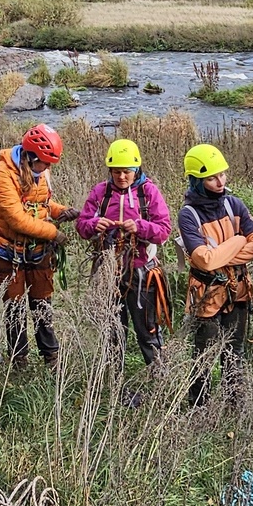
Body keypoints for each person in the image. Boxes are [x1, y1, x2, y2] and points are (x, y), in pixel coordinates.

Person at [76, 139, 173, 369]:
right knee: (111, 329)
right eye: (117, 172)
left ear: (136, 169)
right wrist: (94, 224)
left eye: (127, 172)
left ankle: (159, 378)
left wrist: (139, 227)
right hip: (107, 269)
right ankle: (115, 382)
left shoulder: (148, 192)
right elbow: (82, 226)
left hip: (141, 271)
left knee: (148, 327)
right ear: (110, 171)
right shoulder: (101, 192)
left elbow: (164, 230)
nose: (122, 177)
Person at [178, 143, 253, 407]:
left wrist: (221, 256)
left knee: (234, 351)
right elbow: (204, 260)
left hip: (237, 291)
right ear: (197, 180)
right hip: (207, 294)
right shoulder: (188, 214)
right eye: (212, 177)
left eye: (222, 175)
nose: (220, 181)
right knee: (203, 353)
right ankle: (198, 405)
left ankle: (233, 403)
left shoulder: (233, 203)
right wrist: (238, 240)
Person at [0, 124, 77, 369]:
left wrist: (61, 211)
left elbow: (41, 204)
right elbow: (17, 218)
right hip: (10, 252)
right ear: (30, 157)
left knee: (42, 304)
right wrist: (54, 233)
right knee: (15, 308)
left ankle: (51, 356)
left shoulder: (37, 171)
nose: (48, 169)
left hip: (37, 252)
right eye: (45, 164)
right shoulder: (1, 174)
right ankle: (19, 359)